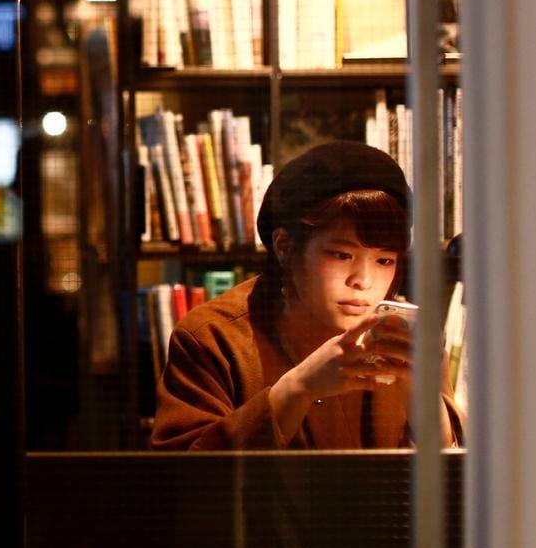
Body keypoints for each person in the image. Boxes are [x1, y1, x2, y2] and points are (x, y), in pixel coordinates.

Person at [152, 141, 465, 450]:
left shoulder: (403, 334)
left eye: (384, 260)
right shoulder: (213, 336)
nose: (364, 281)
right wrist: (298, 388)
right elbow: (182, 484)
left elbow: (456, 479)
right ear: (285, 247)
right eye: (341, 255)